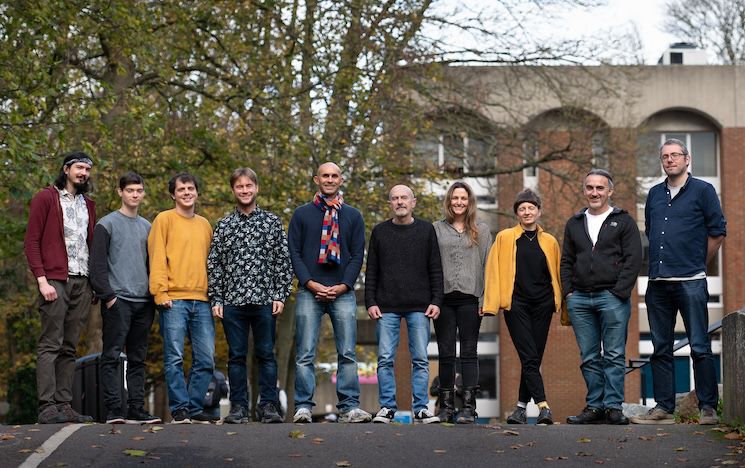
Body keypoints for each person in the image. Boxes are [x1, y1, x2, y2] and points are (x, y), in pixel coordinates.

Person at [630, 139, 726, 426]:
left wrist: (698, 263)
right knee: (661, 348)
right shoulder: (654, 194)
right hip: (658, 283)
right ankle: (663, 408)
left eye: (675, 155)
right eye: (665, 156)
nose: (670, 160)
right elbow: (651, 229)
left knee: (699, 346)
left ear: (687, 159)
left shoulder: (703, 191)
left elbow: (718, 231)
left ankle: (708, 408)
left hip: (691, 282)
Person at [288, 162, 371, 423]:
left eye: (334, 176)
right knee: (304, 353)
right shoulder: (301, 215)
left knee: (347, 352)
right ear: (316, 179)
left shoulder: (353, 216)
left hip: (342, 292)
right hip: (308, 291)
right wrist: (311, 283)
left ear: (341, 179)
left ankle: (349, 407)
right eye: (325, 175)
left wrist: (345, 285)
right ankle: (303, 406)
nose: (330, 179)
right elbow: (295, 253)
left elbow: (358, 255)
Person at [208, 168, 293, 424]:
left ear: (256, 188)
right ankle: (238, 408)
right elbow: (215, 265)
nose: (244, 190)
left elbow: (283, 261)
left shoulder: (272, 222)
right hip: (232, 302)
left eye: (248, 186)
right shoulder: (224, 225)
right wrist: (216, 298)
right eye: (239, 187)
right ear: (233, 190)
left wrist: (280, 294)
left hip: (266, 300)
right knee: (236, 356)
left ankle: (268, 406)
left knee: (266, 354)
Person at [561, 169, 642, 425]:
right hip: (580, 299)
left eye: (599, 188)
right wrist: (568, 292)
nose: (594, 193)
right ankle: (594, 407)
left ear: (610, 191)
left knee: (614, 354)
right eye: (589, 188)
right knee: (589, 355)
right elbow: (566, 261)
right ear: (584, 190)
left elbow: (634, 259)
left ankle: (613, 407)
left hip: (612, 297)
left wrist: (619, 292)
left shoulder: (624, 221)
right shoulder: (574, 223)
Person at [24, 151, 97, 424]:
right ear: (66, 169)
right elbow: (32, 242)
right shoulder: (46, 198)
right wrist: (42, 280)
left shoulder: (87, 204)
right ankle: (46, 406)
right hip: (55, 280)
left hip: (82, 280)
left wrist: (93, 285)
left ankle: (64, 404)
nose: (84, 173)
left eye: (87, 169)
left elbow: (90, 245)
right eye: (79, 168)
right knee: (50, 343)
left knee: (69, 346)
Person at [483, 188, 563, 425]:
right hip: (515, 304)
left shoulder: (550, 241)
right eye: (522, 209)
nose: (527, 212)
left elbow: (557, 273)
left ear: (539, 211)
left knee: (533, 358)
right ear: (516, 213)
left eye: (531, 208)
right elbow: (493, 271)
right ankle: (543, 406)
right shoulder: (505, 237)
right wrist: (491, 303)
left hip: (543, 305)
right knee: (528, 355)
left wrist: (558, 302)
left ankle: (519, 409)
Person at [366, 184, 443, 424]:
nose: (400, 202)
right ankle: (387, 408)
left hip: (419, 306)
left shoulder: (426, 230)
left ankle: (421, 408)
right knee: (385, 358)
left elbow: (435, 269)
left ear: (413, 202)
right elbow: (371, 271)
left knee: (420, 358)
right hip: (386, 306)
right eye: (395, 198)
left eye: (404, 198)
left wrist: (436, 300)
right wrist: (370, 301)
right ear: (390, 203)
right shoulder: (379, 232)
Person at [89, 172, 160, 424]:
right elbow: (96, 266)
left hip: (144, 302)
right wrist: (109, 297)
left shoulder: (148, 227)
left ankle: (136, 408)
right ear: (120, 192)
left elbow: (154, 265)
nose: (135, 195)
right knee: (111, 356)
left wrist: (154, 296)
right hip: (117, 300)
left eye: (139, 191)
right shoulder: (106, 224)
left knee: (139, 359)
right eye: (130, 190)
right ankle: (114, 410)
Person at [148, 173, 215, 424]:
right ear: (173, 194)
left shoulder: (205, 225)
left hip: (203, 300)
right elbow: (156, 258)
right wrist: (160, 292)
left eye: (190, 188)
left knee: (206, 358)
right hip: (173, 300)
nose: (186, 192)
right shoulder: (163, 219)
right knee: (174, 357)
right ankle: (180, 410)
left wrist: (215, 297)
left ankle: (195, 407)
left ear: (197, 192)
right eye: (181, 189)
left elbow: (212, 264)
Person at [433, 182, 491, 423]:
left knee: (469, 353)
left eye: (463, 198)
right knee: (446, 353)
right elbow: (431, 265)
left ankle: (468, 407)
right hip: (443, 300)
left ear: (469, 202)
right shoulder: (435, 229)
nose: (459, 202)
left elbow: (488, 264)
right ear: (449, 201)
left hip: (471, 300)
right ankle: (446, 407)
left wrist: (485, 298)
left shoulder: (482, 229)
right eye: (455, 198)